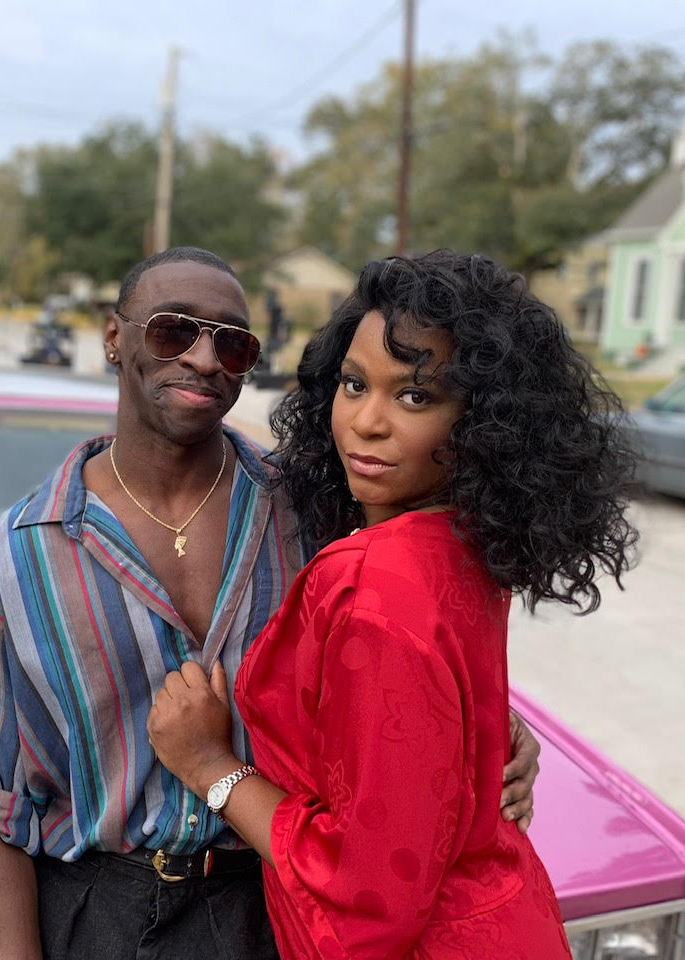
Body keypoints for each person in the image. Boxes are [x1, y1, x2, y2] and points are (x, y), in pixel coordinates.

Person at [0, 247, 542, 960]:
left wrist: (491, 732)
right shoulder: (11, 560)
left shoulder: (319, 512)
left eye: (233, 342)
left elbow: (404, 659)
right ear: (114, 336)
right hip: (101, 913)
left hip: (280, 901)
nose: (203, 357)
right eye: (171, 330)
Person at [147, 251, 639, 959]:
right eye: (354, 384)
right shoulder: (462, 546)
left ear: (484, 423)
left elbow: (366, 904)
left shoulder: (370, 582)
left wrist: (208, 766)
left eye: (415, 397)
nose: (367, 423)